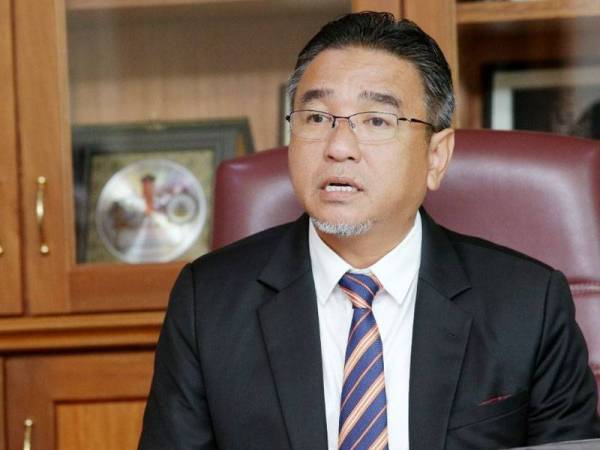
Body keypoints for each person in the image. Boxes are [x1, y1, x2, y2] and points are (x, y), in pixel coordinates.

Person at [138, 12, 600, 450]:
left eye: (377, 120)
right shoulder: (208, 303)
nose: (339, 147)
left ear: (436, 156)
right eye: (316, 118)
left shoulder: (528, 305)